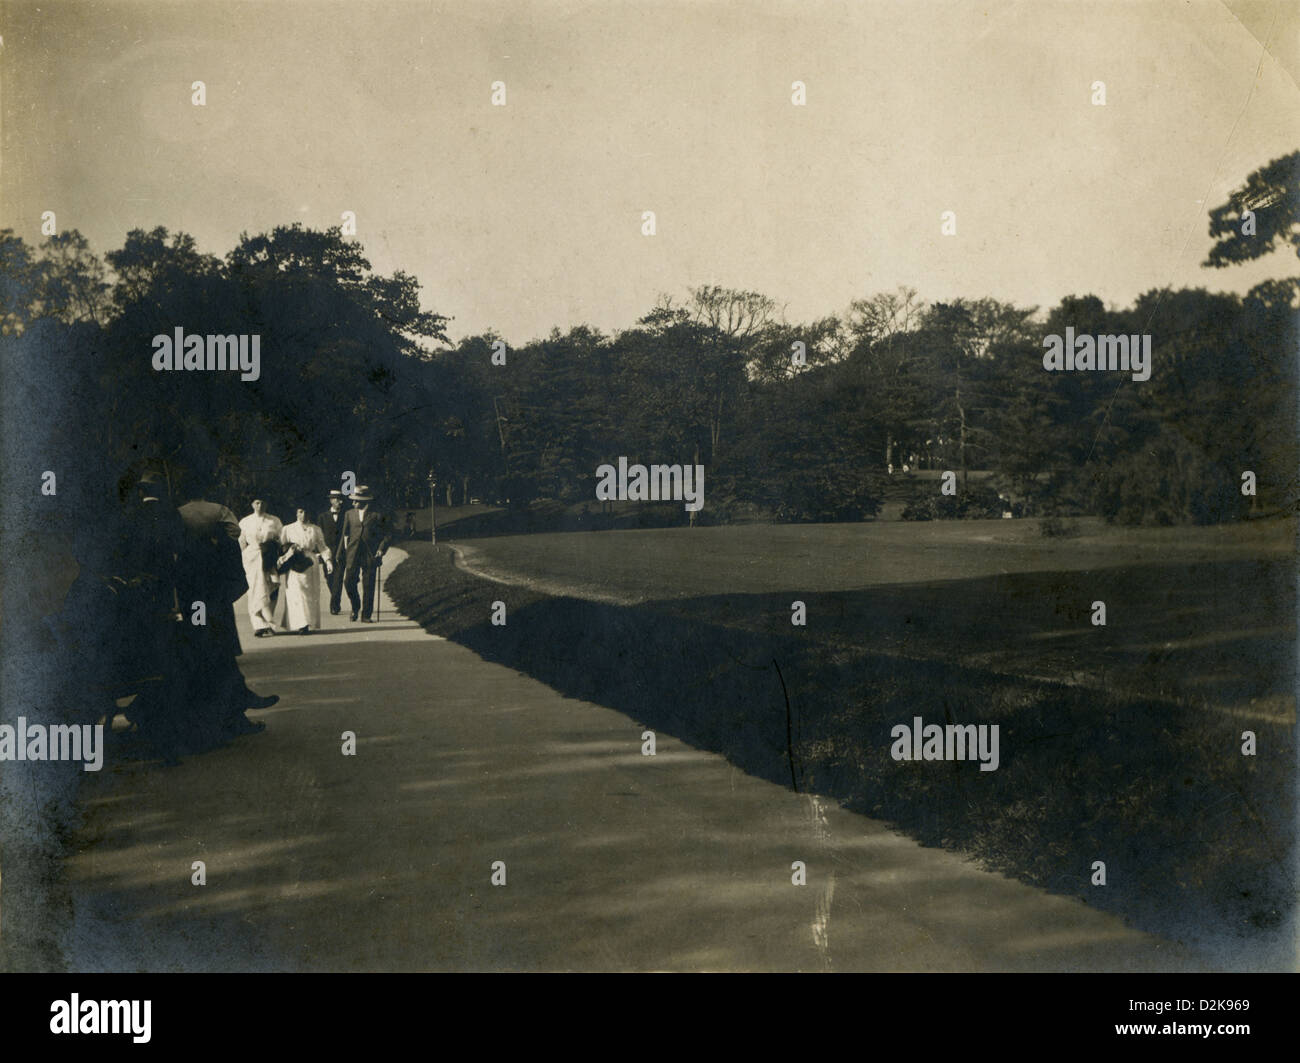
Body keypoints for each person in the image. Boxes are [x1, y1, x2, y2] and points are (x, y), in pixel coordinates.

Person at [177, 490, 277, 743]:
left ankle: (238, 709)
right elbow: (235, 536)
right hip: (215, 599)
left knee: (212, 657)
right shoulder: (218, 513)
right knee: (220, 656)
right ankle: (238, 708)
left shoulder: (178, 515)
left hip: (192, 603)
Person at [341, 485, 391, 623]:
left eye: (356, 500)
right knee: (348, 581)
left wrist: (381, 549)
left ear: (364, 501)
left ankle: (366, 615)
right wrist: (343, 552)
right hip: (353, 554)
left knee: (368, 585)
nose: (353, 503)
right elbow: (345, 534)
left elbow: (387, 535)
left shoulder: (377, 515)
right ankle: (355, 606)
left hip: (370, 554)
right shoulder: (349, 514)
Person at [279, 507, 333, 634]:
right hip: (295, 562)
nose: (303, 515)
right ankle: (300, 624)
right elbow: (281, 546)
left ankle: (308, 622)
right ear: (296, 513)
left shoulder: (315, 529)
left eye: (306, 512)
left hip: (309, 562)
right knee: (296, 592)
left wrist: (328, 560)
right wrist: (289, 551)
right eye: (300, 511)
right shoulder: (288, 529)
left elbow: (322, 546)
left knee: (310, 593)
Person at [237, 499, 283, 636]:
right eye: (257, 503)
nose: (260, 505)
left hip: (269, 557)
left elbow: (281, 539)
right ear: (252, 504)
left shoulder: (274, 521)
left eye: (263, 502)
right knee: (254, 589)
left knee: (271, 588)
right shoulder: (245, 522)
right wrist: (241, 559)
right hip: (251, 558)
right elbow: (241, 542)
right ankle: (258, 624)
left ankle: (269, 622)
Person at [317, 489, 349, 615]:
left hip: (341, 552)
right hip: (327, 553)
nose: (339, 502)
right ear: (331, 500)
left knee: (338, 578)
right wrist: (320, 552)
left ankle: (334, 604)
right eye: (336, 499)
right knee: (329, 577)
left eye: (340, 499)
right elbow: (319, 537)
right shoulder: (322, 517)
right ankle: (335, 599)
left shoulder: (346, 515)